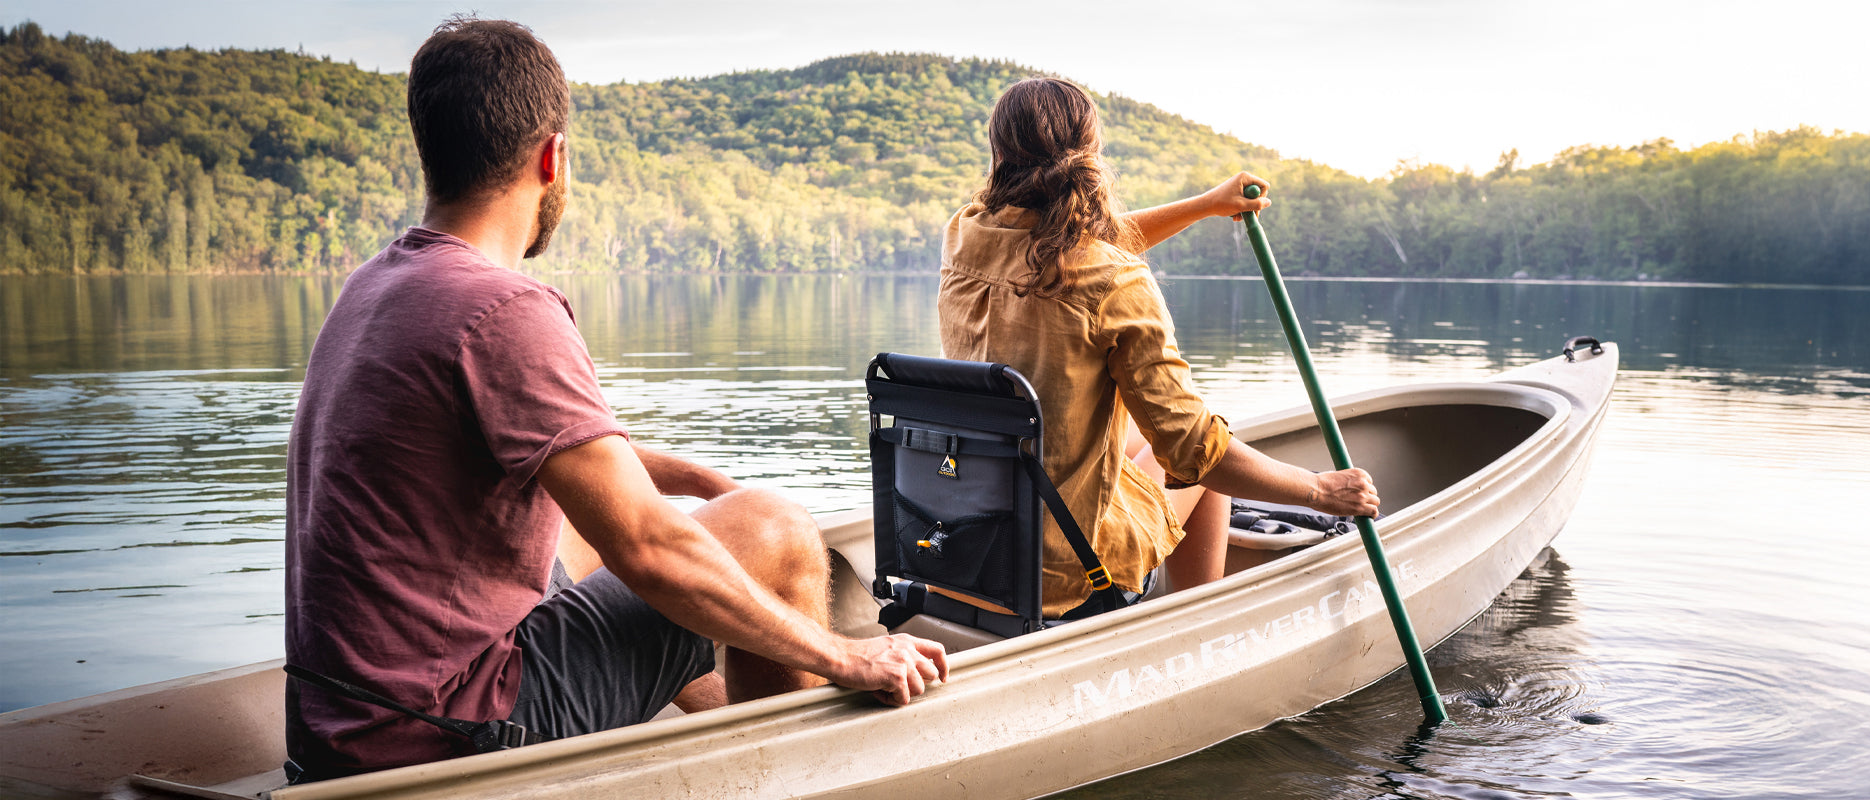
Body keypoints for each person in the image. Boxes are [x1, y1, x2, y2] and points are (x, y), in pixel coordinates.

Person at [283, 17, 946, 781]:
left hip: (342, 726)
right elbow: (652, 550)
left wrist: (689, 480)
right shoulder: (504, 310)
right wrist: (849, 654)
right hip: (448, 736)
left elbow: (551, 455)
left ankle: (728, 724)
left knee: (580, 534)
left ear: (430, 148)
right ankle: (797, 777)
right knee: (773, 531)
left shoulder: (377, 286)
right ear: (552, 157)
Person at [937, 77, 1382, 618]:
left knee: (1127, 438)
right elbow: (1195, 452)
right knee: (1203, 460)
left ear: (998, 152)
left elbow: (1072, 243)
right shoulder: (1114, 281)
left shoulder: (964, 235)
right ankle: (1195, 626)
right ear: (1090, 155)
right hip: (1060, 571)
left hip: (962, 543)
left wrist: (1204, 205)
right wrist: (1318, 490)